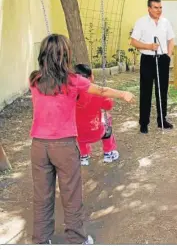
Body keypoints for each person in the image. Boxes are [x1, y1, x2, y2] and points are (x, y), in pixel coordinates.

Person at [29, 34, 135, 244]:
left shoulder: (35, 79)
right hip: (64, 146)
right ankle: (77, 240)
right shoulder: (73, 81)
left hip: (38, 146)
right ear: (66, 56)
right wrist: (123, 94)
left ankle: (41, 240)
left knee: (42, 195)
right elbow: (101, 90)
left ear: (43, 55)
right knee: (71, 194)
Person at [130, 0, 175, 134]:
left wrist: (168, 56)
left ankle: (162, 120)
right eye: (156, 7)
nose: (159, 10)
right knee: (146, 92)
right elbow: (133, 42)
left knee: (162, 90)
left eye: (160, 7)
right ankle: (144, 123)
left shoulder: (165, 22)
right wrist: (148, 46)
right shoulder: (141, 22)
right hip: (148, 60)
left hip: (162, 60)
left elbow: (171, 39)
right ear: (149, 8)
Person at [74, 64, 119, 166]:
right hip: (97, 132)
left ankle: (84, 156)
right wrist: (107, 96)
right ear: (90, 78)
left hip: (79, 135)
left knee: (79, 125)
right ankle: (108, 153)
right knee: (108, 118)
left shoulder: (71, 94)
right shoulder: (97, 93)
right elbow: (108, 106)